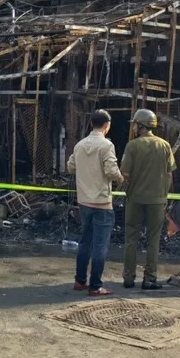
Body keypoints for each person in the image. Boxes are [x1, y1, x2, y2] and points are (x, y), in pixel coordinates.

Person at [67, 109, 124, 297]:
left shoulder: (80, 145)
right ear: (107, 126)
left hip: (84, 201)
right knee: (100, 245)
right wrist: (121, 178)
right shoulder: (107, 146)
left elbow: (71, 167)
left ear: (92, 124)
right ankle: (96, 286)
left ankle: (80, 280)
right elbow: (111, 171)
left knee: (85, 242)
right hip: (101, 202)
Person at [120, 109, 176, 290]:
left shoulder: (132, 146)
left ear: (141, 126)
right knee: (154, 239)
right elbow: (169, 175)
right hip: (157, 200)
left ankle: (128, 278)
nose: (133, 127)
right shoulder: (165, 145)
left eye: (135, 124)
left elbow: (125, 174)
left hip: (135, 198)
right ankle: (150, 279)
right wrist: (164, 195)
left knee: (131, 238)